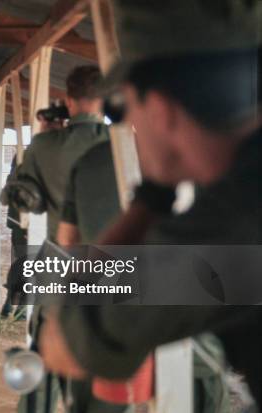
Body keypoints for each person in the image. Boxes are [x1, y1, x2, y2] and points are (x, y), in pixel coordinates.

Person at [38, 0, 262, 409]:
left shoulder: (228, 230)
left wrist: (152, 195)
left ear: (160, 111)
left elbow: (65, 347)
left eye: (126, 106)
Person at [13, 66, 109, 242]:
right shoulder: (123, 142)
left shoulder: (43, 144)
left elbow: (28, 199)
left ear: (68, 101)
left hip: (63, 253)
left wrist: (43, 138)